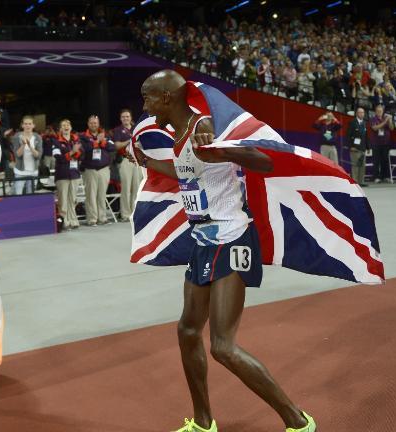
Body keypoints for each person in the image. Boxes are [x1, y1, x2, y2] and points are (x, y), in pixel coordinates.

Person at [135, 69, 315, 432]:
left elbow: (263, 162)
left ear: (167, 99)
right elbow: (187, 171)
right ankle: (204, 423)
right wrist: (149, 163)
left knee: (223, 347)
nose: (145, 105)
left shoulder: (207, 127)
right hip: (203, 243)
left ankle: (297, 421)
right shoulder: (181, 135)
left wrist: (222, 150)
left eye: (148, 97)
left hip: (232, 240)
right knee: (187, 332)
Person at [80, 115, 115, 226]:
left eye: (95, 123)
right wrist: (96, 142)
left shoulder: (105, 135)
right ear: (88, 124)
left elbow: (112, 147)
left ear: (98, 124)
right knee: (91, 195)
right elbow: (85, 149)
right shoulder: (83, 136)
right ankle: (92, 219)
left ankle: (102, 218)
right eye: (91, 123)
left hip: (104, 169)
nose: (93, 125)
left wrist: (103, 141)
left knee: (101, 195)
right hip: (90, 170)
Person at [111, 109, 142, 222]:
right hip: (125, 160)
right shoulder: (118, 130)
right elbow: (117, 145)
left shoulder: (136, 128)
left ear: (131, 117)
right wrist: (130, 141)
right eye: (123, 117)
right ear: (120, 119)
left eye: (127, 116)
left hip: (137, 160)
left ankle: (135, 213)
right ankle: (125, 214)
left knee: (137, 188)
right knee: (126, 188)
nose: (125, 118)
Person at [51, 119, 83, 230]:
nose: (66, 127)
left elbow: (82, 155)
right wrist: (72, 152)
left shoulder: (76, 140)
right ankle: (64, 222)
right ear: (60, 128)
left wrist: (75, 153)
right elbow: (58, 158)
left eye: (68, 124)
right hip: (62, 175)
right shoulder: (56, 141)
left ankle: (73, 220)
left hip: (74, 174)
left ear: (71, 127)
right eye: (63, 125)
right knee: (63, 200)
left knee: (72, 200)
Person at [368, 104, 393, 183]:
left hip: (385, 142)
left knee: (385, 160)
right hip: (376, 143)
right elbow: (375, 128)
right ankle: (376, 177)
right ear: (375, 112)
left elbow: (392, 128)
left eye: (381, 111)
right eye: (378, 111)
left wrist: (390, 121)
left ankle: (385, 176)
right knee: (376, 160)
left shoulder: (386, 118)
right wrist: (385, 121)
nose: (379, 112)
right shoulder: (373, 119)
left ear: (383, 111)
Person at [345, 107, 369, 186]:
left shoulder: (365, 123)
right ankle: (355, 182)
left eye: (362, 113)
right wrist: (350, 146)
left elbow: (366, 136)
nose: (361, 114)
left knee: (362, 165)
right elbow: (348, 135)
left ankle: (361, 181)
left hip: (362, 147)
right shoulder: (352, 122)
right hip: (354, 147)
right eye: (360, 112)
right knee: (355, 165)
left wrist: (368, 147)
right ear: (356, 113)